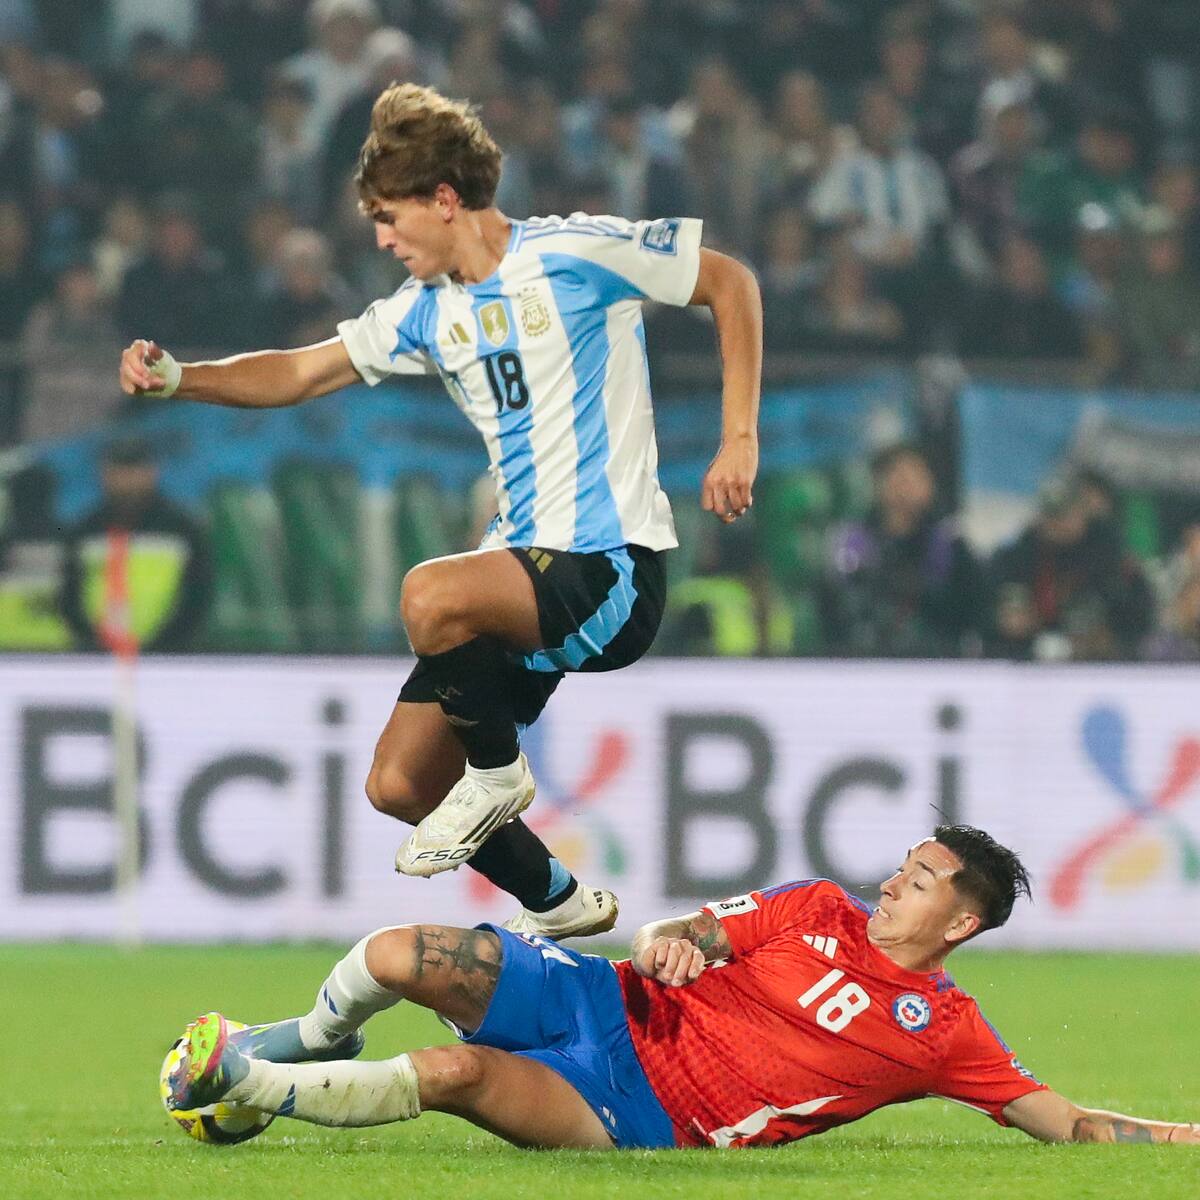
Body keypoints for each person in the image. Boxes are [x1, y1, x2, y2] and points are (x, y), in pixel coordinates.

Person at [118, 82, 762, 940]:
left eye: (390, 218)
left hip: (609, 570)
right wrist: (179, 379)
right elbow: (302, 372)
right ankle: (561, 901)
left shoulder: (572, 253)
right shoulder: (423, 314)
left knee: (429, 595)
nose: (382, 240)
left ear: (444, 200)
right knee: (400, 784)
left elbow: (730, 282)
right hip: (523, 575)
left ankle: (498, 775)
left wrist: (740, 437)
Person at [164, 824, 1200, 1150]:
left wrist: (1184, 1142)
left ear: (961, 923)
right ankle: (310, 1037)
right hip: (607, 1002)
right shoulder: (818, 908)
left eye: (920, 881)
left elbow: (1068, 1126)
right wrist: (672, 942)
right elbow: (698, 929)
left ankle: (244, 1086)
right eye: (904, 866)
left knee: (453, 1072)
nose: (894, 882)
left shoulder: (941, 1032)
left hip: (642, 1111)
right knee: (398, 953)